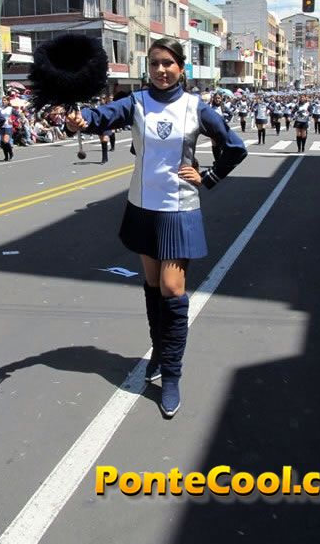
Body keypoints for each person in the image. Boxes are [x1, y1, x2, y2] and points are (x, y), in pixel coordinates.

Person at [66, 37, 247, 417]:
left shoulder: (196, 107)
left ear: (181, 67)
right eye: (154, 64)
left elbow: (235, 146)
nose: (161, 70)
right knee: (152, 287)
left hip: (178, 209)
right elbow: (102, 116)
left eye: (168, 63)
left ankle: (173, 375)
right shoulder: (136, 103)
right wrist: (81, 119)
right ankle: (159, 353)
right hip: (142, 207)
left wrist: (209, 177)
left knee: (172, 289)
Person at [0, 95, 14, 162]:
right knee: (3, 142)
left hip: (8, 126)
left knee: (5, 141)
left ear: (8, 101)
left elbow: (18, 115)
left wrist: (12, 120)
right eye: (2, 100)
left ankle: (11, 153)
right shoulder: (0, 108)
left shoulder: (10, 108)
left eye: (5, 100)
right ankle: (6, 156)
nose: (3, 101)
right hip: (1, 126)